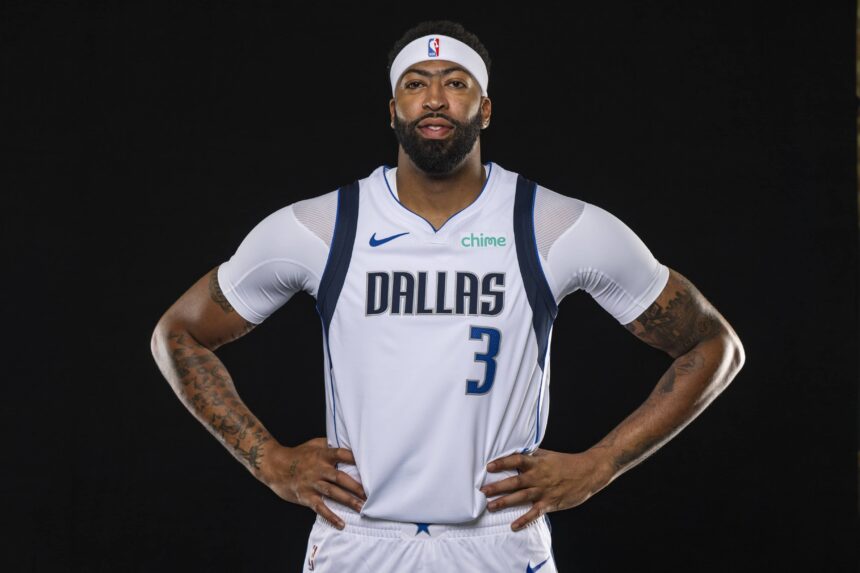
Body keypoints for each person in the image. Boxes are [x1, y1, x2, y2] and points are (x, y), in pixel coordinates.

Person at [150, 20, 745, 572]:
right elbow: (178, 333)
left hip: (501, 538)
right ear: (393, 110)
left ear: (484, 109)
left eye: (455, 83)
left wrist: (601, 464)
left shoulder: (551, 224)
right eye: (416, 84)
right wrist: (269, 460)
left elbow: (713, 345)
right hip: (359, 537)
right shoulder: (325, 225)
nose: (435, 99)